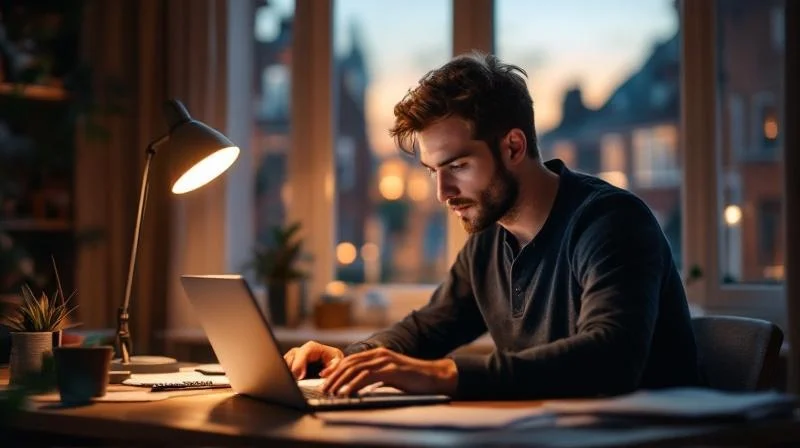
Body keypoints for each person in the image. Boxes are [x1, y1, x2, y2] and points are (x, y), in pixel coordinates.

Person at [284, 51, 700, 400]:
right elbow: (426, 329)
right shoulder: (489, 240)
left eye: (458, 166)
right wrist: (353, 359)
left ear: (514, 146)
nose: (443, 192)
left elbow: (611, 360)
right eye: (433, 171)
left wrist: (445, 375)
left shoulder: (611, 222)